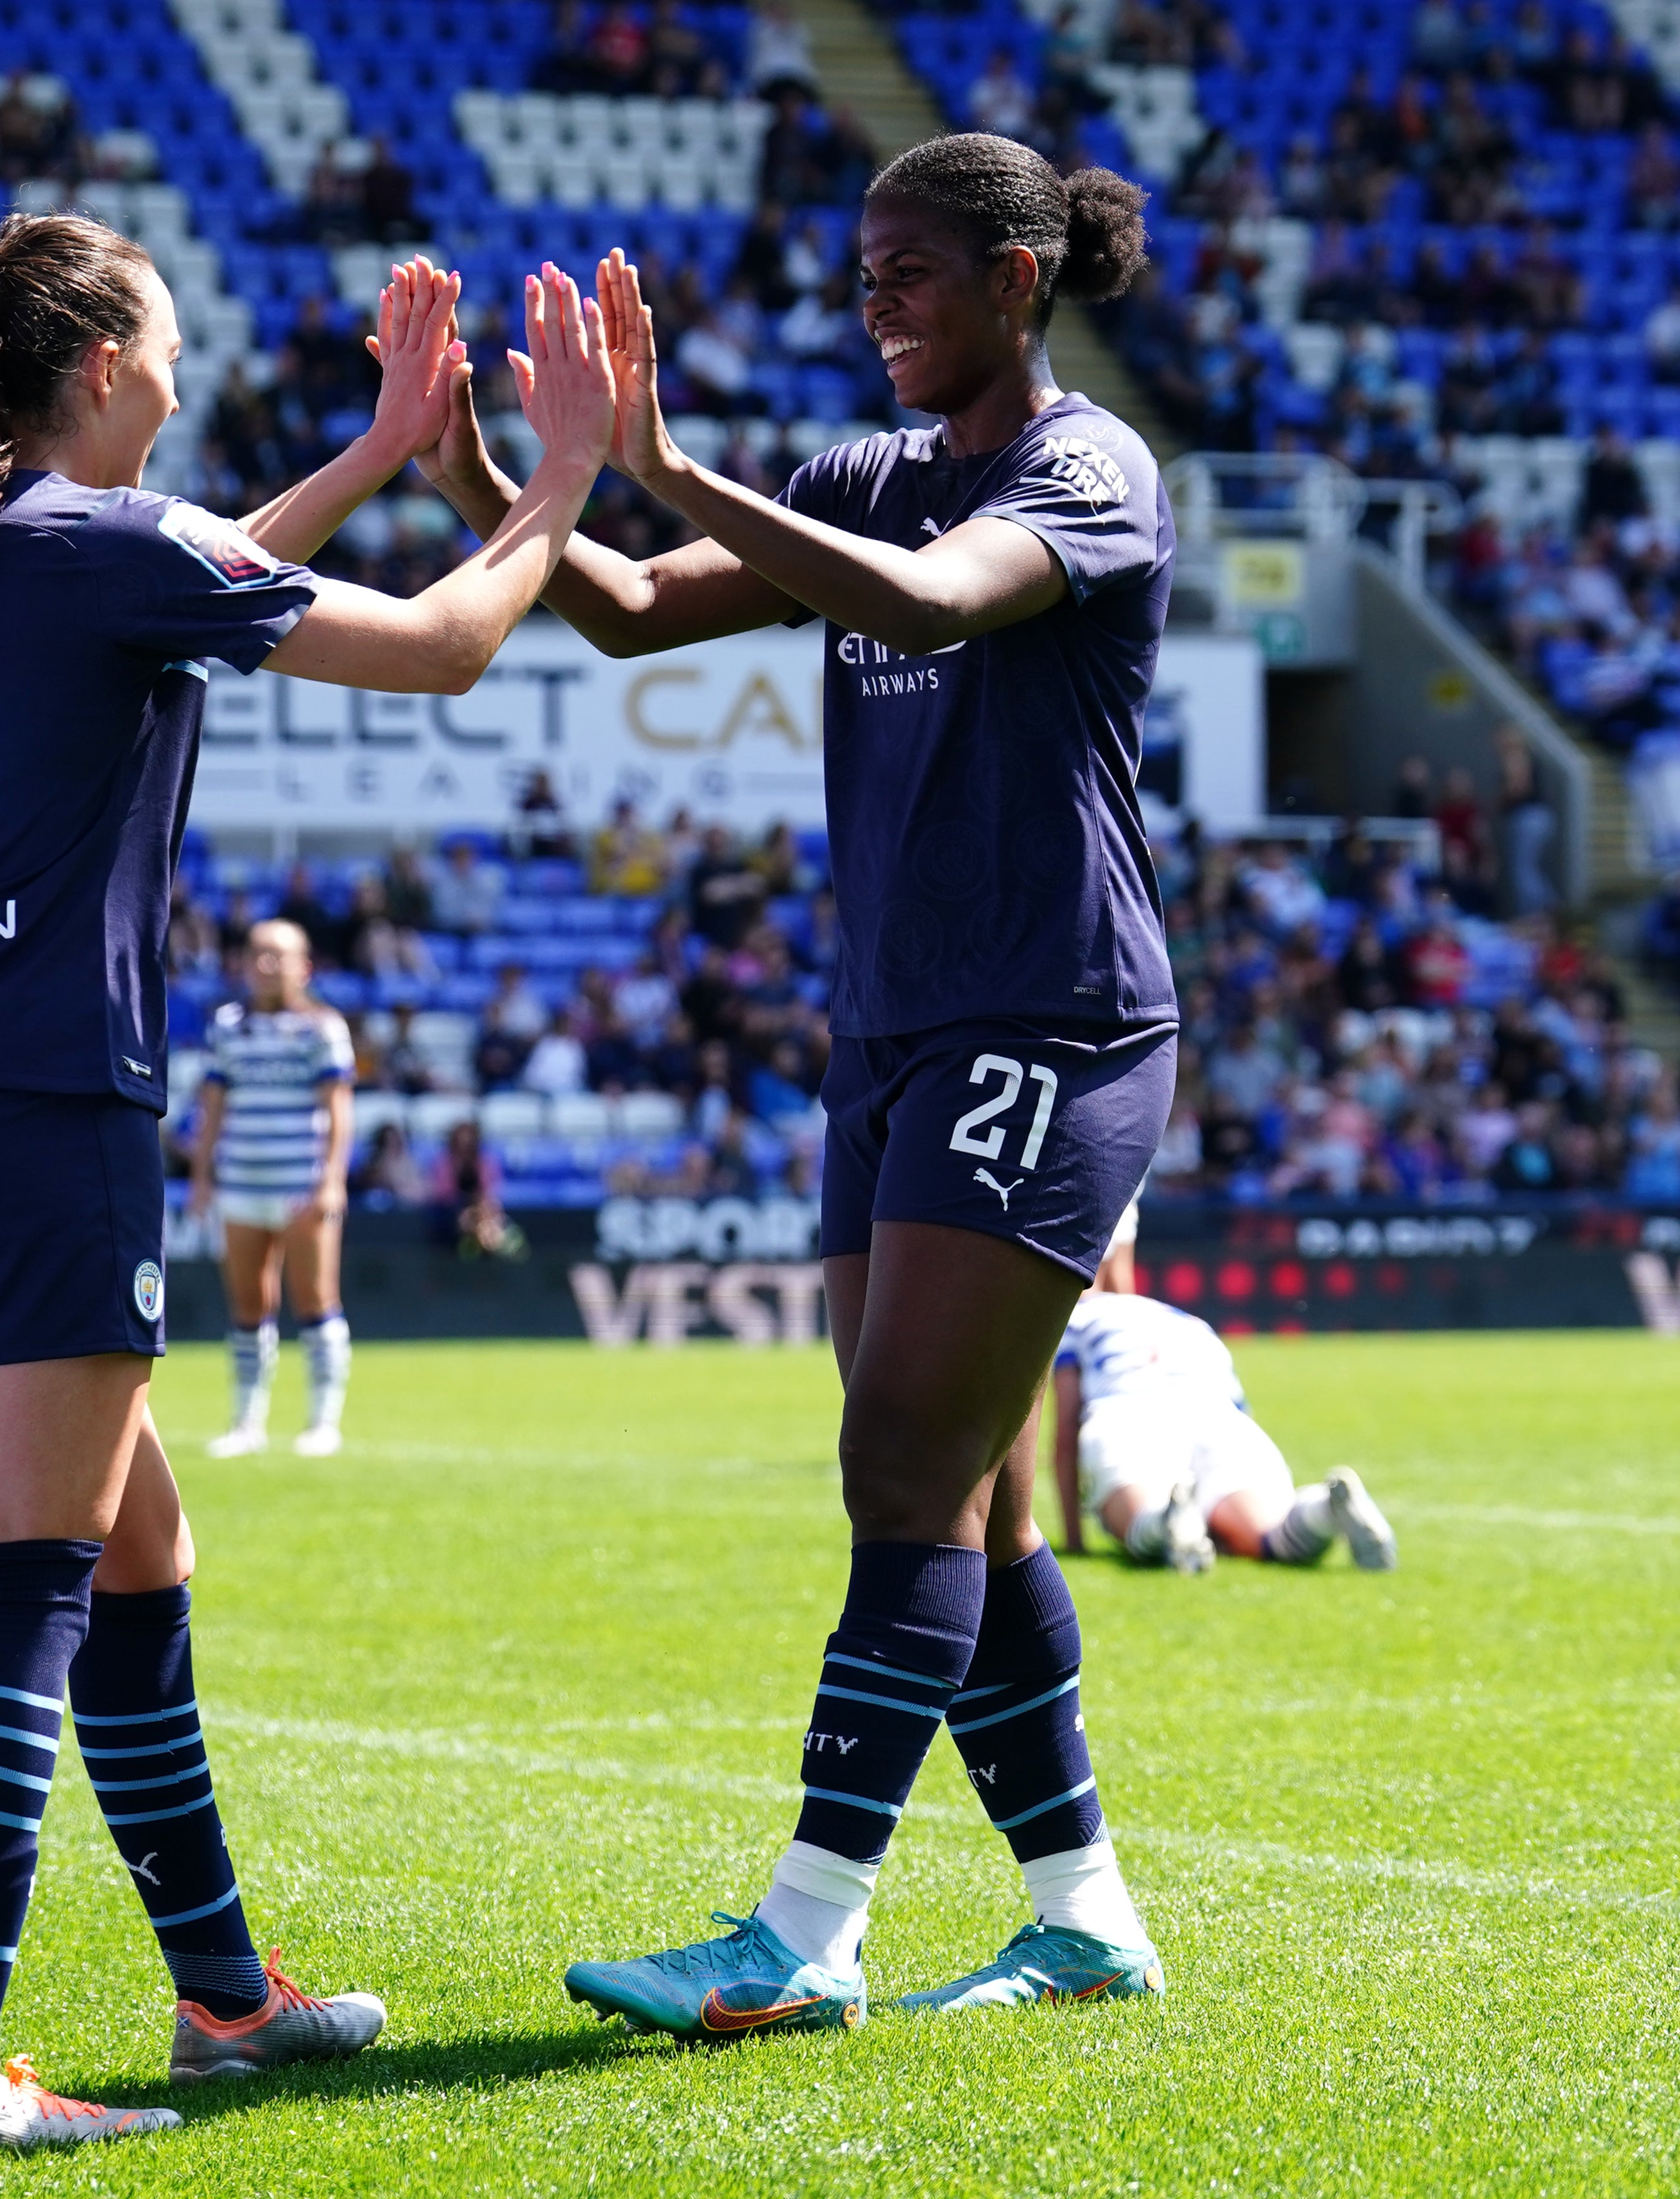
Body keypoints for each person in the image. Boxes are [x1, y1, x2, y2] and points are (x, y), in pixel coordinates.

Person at [0, 223, 617, 2149]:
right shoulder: (101, 553)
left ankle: (225, 1994)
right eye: (169, 347)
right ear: (101, 366)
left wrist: (367, 452)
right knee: (18, 1586)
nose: (184, 374)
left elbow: (174, 570)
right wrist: (563, 467)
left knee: (135, 1548)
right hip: (32, 1097)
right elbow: (434, 647)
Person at [424, 134, 1178, 2030]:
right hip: (896, 1031)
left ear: (1020, 279)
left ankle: (803, 1929)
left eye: (909, 272)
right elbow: (621, 606)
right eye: (858, 274)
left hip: (1048, 1019)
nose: (874, 306)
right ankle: (1081, 1912)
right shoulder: (863, 477)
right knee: (969, 1498)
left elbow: (928, 604)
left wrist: (674, 461)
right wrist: (478, 470)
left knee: (899, 1470)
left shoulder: (1083, 472)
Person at [1050, 1207, 1395, 1573]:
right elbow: (1240, 1413)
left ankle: (1170, 1520)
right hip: (1218, 1417)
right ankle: (1324, 1509)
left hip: (1128, 1415)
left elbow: (1066, 1432)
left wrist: (1074, 1541)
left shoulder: (1075, 1320)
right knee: (1272, 1538)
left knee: (1144, 1530)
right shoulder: (1189, 1321)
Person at [189, 921, 357, 1458]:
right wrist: (202, 1175)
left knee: (316, 1300)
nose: (265, 964)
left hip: (301, 1184)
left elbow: (339, 1108)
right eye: (258, 954)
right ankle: (246, 1423)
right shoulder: (227, 1026)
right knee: (248, 1304)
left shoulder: (322, 1028)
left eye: (277, 955)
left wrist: (332, 1180)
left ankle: (322, 1423)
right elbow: (213, 1106)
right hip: (241, 1181)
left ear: (303, 966)